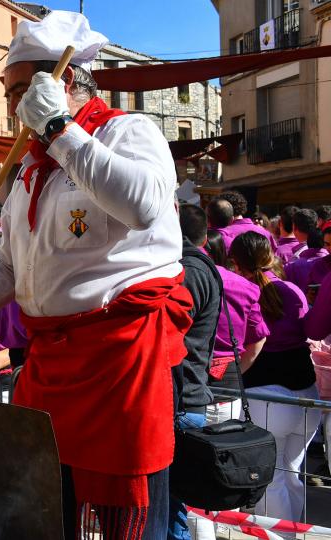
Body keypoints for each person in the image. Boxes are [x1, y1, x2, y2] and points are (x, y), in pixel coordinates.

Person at [0, 11, 190, 538]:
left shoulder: (128, 130)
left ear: (59, 83)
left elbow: (145, 204)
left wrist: (60, 129)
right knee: (46, 503)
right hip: (50, 366)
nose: (11, 105)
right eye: (9, 92)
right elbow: (8, 268)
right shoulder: (30, 171)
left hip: (119, 359)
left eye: (18, 90)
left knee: (130, 518)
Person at [230, 231, 319, 524]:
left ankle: (284, 535)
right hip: (306, 392)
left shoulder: (242, 292)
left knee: (274, 477)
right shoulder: (292, 291)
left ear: (235, 262)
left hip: (270, 395)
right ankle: (293, 531)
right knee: (290, 474)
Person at [168, 205, 223, 540]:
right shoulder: (201, 266)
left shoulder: (189, 270)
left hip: (181, 398)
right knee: (172, 506)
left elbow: (169, 329)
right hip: (185, 396)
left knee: (170, 509)